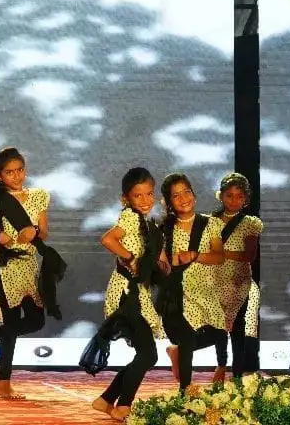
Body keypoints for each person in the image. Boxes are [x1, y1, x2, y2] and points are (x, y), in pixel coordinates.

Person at [0, 147, 64, 401]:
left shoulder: (38, 196)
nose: (16, 176)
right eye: (9, 172)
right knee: (10, 321)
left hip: (29, 264)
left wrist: (35, 231)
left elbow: (43, 233)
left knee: (36, 321)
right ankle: (4, 383)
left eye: (20, 170)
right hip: (5, 264)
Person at [87, 167, 164, 422]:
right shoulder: (131, 217)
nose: (145, 200)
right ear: (126, 198)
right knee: (148, 355)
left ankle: (106, 399)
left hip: (136, 293)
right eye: (137, 195)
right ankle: (123, 405)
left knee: (147, 355)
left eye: (149, 193)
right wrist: (130, 258)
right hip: (126, 293)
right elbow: (108, 239)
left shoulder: (146, 223)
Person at [157, 173, 227, 394]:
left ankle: (179, 353)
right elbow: (162, 267)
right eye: (176, 195)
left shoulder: (211, 223)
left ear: (194, 195)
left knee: (219, 333)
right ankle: (185, 392)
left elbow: (219, 257)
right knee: (187, 338)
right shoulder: (164, 229)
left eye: (186, 192)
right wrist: (166, 262)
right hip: (178, 295)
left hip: (205, 292)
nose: (183, 198)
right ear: (169, 202)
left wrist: (195, 255)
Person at [211, 173, 262, 377]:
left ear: (246, 198)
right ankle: (221, 365)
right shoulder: (210, 221)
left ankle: (238, 373)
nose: (234, 200)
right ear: (221, 195)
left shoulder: (250, 223)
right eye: (229, 195)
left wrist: (222, 253)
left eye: (239, 196)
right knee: (218, 326)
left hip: (238, 282)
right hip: (213, 280)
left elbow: (249, 255)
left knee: (238, 327)